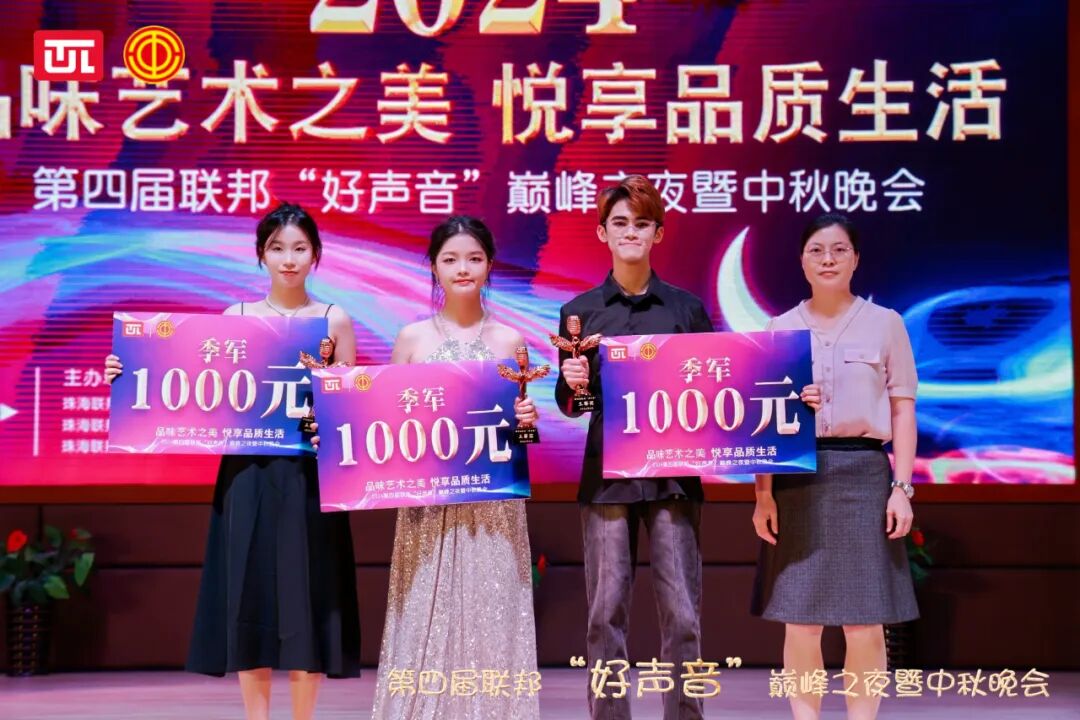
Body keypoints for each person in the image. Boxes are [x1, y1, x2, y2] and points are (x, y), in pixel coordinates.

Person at [105, 203, 361, 720]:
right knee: (250, 596)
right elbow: (189, 384)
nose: (288, 259)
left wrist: (331, 416)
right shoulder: (235, 318)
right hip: (247, 473)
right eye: (277, 248)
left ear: (316, 254)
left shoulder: (333, 318)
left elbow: (350, 401)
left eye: (300, 248)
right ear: (261, 255)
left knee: (308, 597)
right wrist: (128, 372)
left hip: (310, 475)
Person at [554, 175, 714, 720]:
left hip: (675, 477)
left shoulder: (687, 310)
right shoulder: (580, 312)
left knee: (683, 615)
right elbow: (571, 405)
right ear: (602, 232)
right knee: (605, 615)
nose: (630, 233)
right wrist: (573, 384)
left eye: (641, 224)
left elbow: (714, 392)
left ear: (658, 233)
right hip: (607, 479)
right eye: (619, 223)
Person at [368, 215, 541, 720]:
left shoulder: (510, 340)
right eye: (450, 259)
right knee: (421, 611)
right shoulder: (411, 338)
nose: (462, 268)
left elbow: (519, 434)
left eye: (474, 258)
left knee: (493, 613)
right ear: (434, 268)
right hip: (428, 503)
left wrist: (526, 421)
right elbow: (389, 421)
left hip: (492, 503)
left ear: (489, 265)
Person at [750, 213, 919, 720]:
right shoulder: (779, 328)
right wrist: (763, 495)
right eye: (817, 251)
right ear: (802, 261)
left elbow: (903, 407)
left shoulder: (885, 322)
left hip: (865, 476)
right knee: (800, 621)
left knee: (864, 622)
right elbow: (763, 422)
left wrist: (902, 487)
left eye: (839, 250)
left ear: (856, 259)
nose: (828, 259)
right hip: (797, 478)